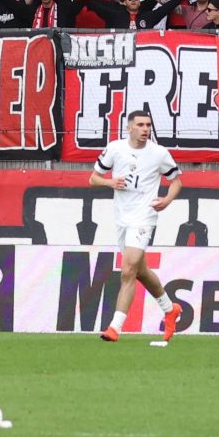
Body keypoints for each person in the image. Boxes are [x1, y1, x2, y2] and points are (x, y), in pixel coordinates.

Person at [89, 108, 185, 345]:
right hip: (123, 218)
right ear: (129, 127)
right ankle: (169, 308)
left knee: (128, 269)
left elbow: (177, 181)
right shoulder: (115, 148)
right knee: (140, 270)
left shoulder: (159, 153)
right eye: (140, 125)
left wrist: (167, 200)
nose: (145, 129)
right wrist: (110, 181)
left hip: (145, 216)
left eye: (148, 125)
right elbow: (93, 178)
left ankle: (114, 327)